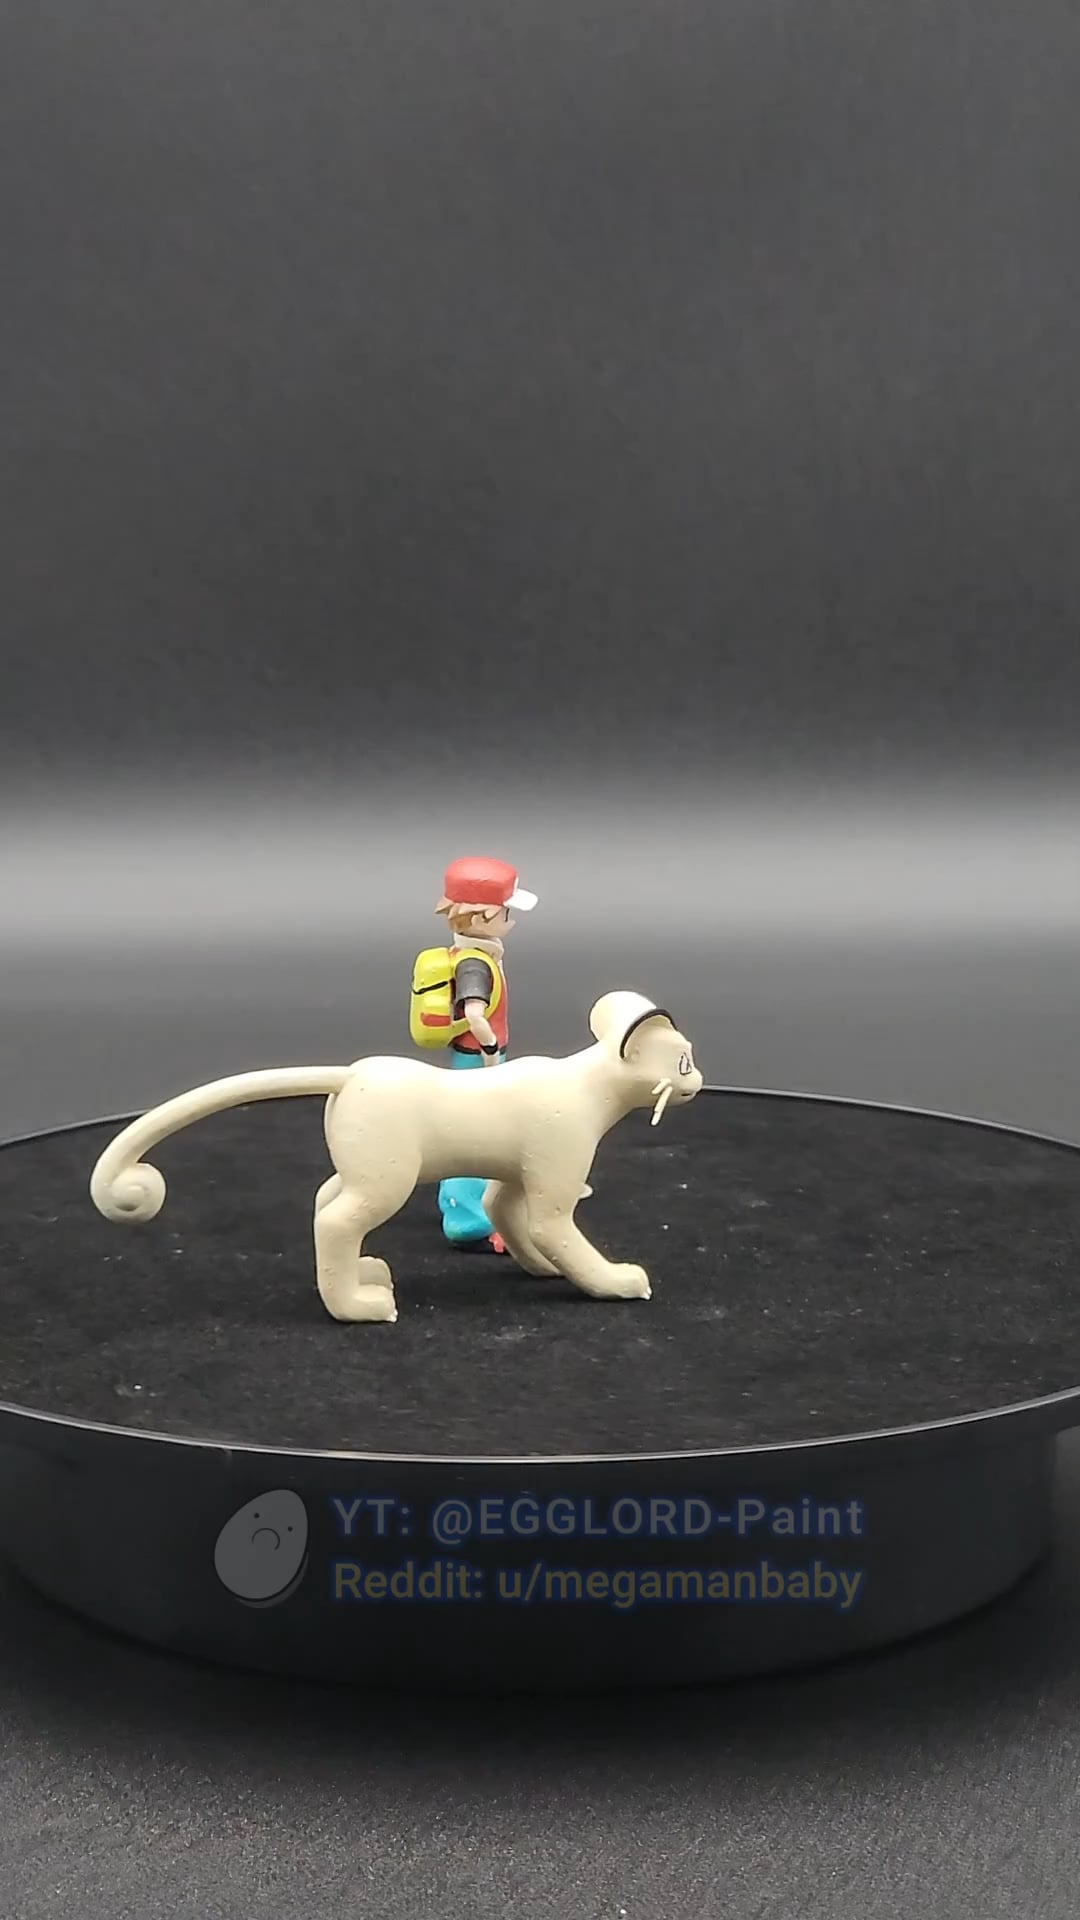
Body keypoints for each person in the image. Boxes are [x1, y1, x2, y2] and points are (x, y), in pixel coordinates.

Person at [432, 855, 538, 1246]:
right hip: (477, 1060)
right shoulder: (475, 965)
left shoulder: (474, 954)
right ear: (480, 917)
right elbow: (475, 1014)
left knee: (474, 1131)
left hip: (474, 1059)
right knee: (473, 1137)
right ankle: (470, 1219)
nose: (512, 921)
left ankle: (465, 1205)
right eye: (507, 912)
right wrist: (491, 1054)